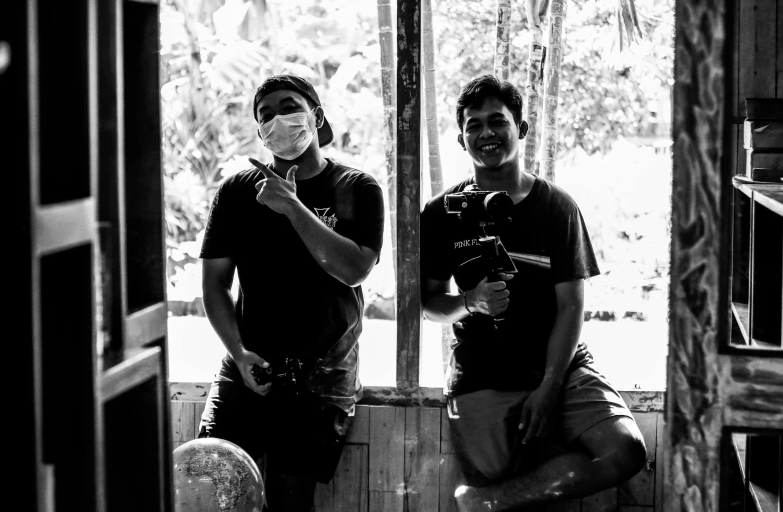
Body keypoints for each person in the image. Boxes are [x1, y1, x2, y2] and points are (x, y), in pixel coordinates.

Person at [420, 75, 647, 511]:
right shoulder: (439, 213)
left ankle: (484, 502)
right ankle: (497, 496)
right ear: (461, 138)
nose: (486, 133)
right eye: (473, 125)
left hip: (561, 366)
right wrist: (471, 302)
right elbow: (430, 306)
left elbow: (571, 305)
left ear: (521, 129)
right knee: (516, 482)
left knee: (625, 451)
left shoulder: (557, 207)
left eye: (497, 121)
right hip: (481, 375)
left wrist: (550, 385)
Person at [197, 74, 385, 511]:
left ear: (315, 116)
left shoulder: (357, 188)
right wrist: (240, 354)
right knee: (210, 483)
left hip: (319, 377)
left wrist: (292, 207)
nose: (278, 120)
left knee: (289, 500)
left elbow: (354, 270)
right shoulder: (237, 192)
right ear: (260, 132)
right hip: (247, 367)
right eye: (265, 115)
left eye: (289, 107)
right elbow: (214, 286)